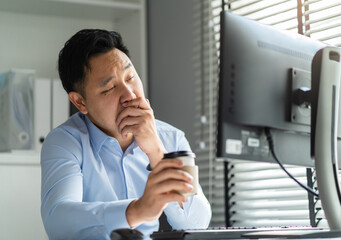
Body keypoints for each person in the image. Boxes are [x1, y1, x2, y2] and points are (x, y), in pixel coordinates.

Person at [40, 29, 212, 240]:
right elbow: (58, 220)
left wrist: (156, 151)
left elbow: (197, 224)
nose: (129, 95)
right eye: (109, 88)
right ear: (80, 102)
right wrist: (137, 210)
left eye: (130, 77)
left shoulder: (171, 138)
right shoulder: (64, 141)